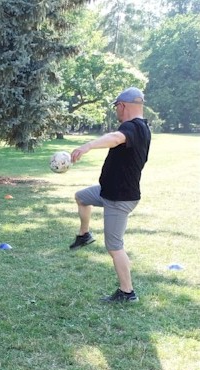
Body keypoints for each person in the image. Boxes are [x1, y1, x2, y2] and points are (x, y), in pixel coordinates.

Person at [69, 86, 151, 303]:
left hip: (119, 198)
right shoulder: (140, 128)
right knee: (81, 196)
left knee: (114, 247)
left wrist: (87, 146)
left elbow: (116, 138)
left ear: (122, 106)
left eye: (117, 107)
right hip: (107, 192)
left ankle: (127, 292)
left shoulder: (134, 128)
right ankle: (84, 234)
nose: (116, 111)